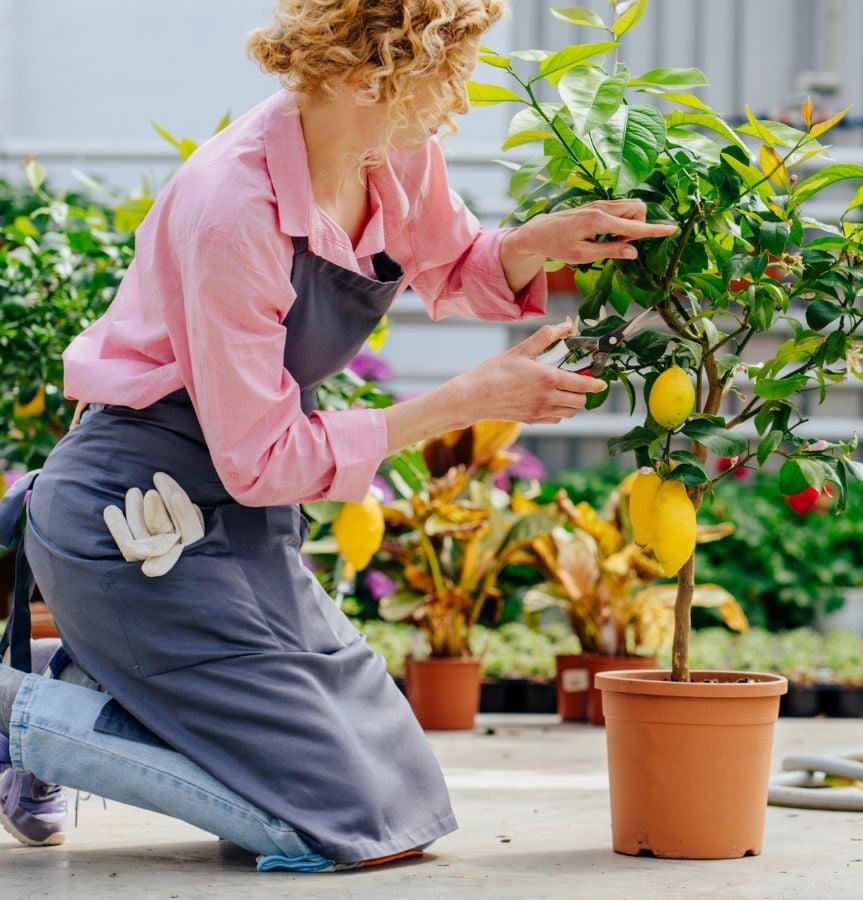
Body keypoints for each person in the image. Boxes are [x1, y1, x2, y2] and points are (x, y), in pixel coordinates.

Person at [0, 0, 675, 872]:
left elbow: (456, 262)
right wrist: (464, 402)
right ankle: (26, 721)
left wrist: (531, 246)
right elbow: (263, 457)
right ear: (370, 77)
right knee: (329, 822)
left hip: (243, 513)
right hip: (135, 517)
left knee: (401, 804)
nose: (461, 102)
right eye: (449, 76)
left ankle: (88, 678)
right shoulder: (231, 209)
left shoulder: (392, 153)